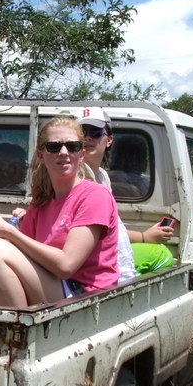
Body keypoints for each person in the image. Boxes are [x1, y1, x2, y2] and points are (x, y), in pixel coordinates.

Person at [0, 116, 119, 307]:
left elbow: (66, 266)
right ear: (41, 155)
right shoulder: (42, 202)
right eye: (54, 147)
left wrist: (8, 232)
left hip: (85, 299)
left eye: (72, 146)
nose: (64, 152)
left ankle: (15, 334)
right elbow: (19, 253)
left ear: (81, 154)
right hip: (53, 288)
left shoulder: (95, 195)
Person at [76, 108, 139, 283]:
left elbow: (111, 226)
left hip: (111, 262)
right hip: (90, 268)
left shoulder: (102, 176)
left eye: (95, 133)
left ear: (109, 140)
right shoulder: (75, 176)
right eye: (81, 133)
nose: (87, 138)